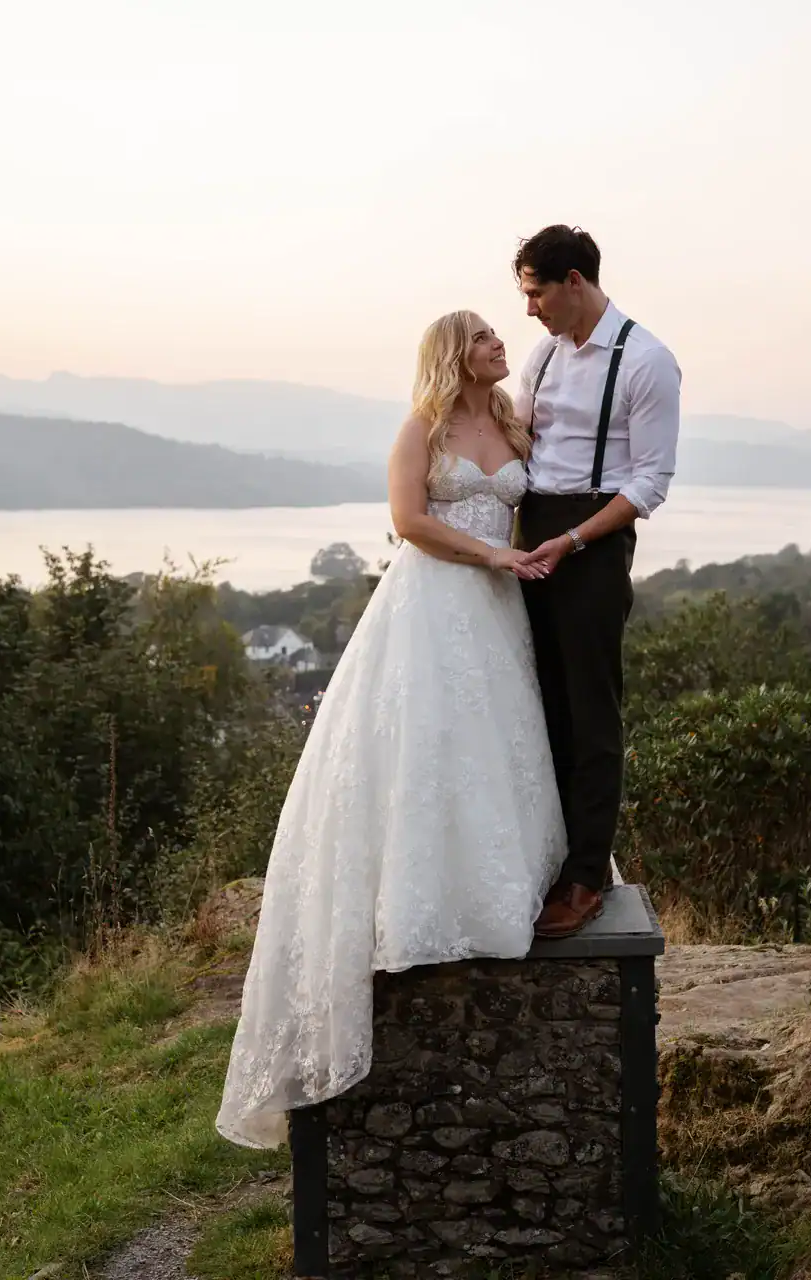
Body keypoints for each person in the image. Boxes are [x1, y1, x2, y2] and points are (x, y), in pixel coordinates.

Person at [216, 310, 567, 1148]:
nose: (497, 343)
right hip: (435, 601)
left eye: (497, 335)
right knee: (426, 744)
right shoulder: (422, 428)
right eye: (482, 335)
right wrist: (490, 556)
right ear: (455, 353)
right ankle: (412, 902)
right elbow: (409, 520)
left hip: (502, 608)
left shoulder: (516, 420)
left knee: (497, 747)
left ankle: (501, 886)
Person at [514, 225, 682, 939]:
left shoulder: (646, 360)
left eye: (535, 292)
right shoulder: (542, 355)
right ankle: (545, 859)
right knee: (539, 703)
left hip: (592, 539)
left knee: (592, 710)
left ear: (573, 281)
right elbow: (521, 436)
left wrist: (576, 537)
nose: (529, 309)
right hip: (532, 533)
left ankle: (586, 874)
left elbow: (650, 482)